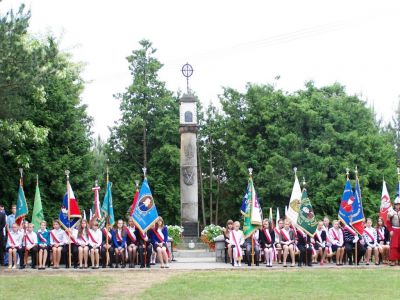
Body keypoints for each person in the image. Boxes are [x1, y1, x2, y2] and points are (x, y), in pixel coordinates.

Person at [388, 198, 400, 266]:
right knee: (394, 246)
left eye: (399, 205)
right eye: (396, 205)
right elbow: (388, 222)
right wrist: (390, 230)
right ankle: (393, 260)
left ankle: (399, 260)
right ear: (394, 205)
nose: (397, 206)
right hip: (394, 230)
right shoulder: (391, 212)